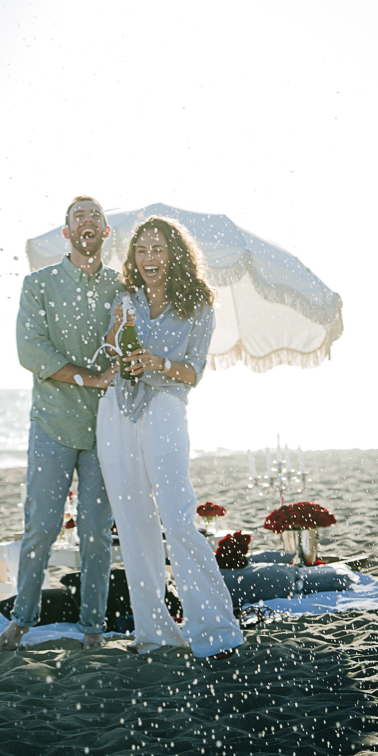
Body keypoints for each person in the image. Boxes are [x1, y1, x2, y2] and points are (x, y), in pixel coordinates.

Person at [96, 216, 244, 659]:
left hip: (164, 409)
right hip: (117, 409)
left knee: (178, 518)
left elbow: (194, 371)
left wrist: (157, 362)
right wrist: (117, 337)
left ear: (174, 253)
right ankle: (154, 631)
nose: (148, 258)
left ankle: (215, 628)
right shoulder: (126, 298)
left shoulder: (199, 304)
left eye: (157, 249)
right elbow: (110, 349)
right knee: (134, 522)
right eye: (141, 251)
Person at [0, 197, 121, 651]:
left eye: (95, 216)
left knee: (95, 534)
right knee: (41, 527)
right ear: (66, 233)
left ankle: (93, 630)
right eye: (78, 216)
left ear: (106, 231)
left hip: (105, 429)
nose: (87, 220)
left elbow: (127, 346)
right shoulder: (39, 285)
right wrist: (90, 378)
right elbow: (32, 353)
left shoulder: (121, 288)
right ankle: (21, 621)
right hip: (51, 424)